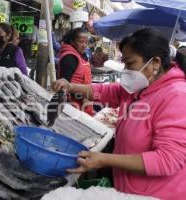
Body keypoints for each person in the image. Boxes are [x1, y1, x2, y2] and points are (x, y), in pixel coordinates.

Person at [52, 28, 186, 200]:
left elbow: (167, 160)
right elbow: (104, 91)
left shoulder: (176, 96)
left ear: (155, 63)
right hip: (128, 190)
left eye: (130, 64)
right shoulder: (141, 87)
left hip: (157, 194)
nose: (125, 70)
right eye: (124, 63)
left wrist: (104, 160)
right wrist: (71, 87)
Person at [58, 28, 93, 115]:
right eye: (81, 42)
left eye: (86, 42)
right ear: (72, 42)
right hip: (73, 105)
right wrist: (83, 98)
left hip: (82, 104)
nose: (84, 45)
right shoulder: (70, 58)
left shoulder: (80, 55)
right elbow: (64, 85)